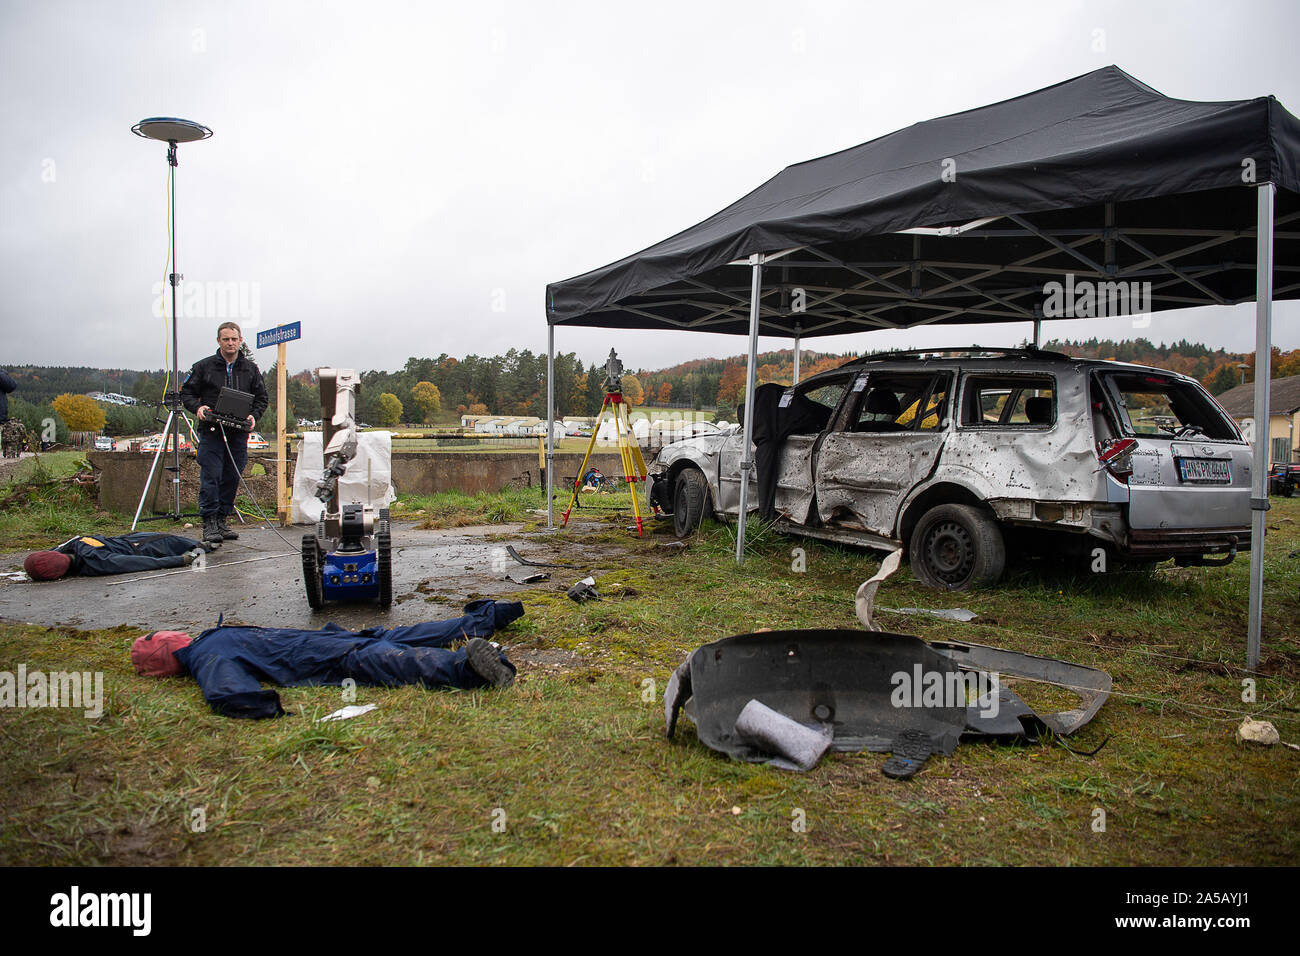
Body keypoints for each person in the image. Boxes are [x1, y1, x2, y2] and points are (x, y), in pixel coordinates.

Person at [130, 600, 522, 718]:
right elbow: (225, 687)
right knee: (394, 658)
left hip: (336, 641)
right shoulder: (206, 653)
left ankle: (484, 620)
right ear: (167, 647)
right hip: (332, 659)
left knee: (401, 636)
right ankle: (469, 670)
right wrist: (257, 705)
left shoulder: (209, 640)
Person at [180, 322, 268, 545]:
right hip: (212, 431)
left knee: (231, 476)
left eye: (234, 339)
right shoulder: (203, 367)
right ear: (219, 341)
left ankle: (222, 519)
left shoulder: (250, 369)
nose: (230, 343)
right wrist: (198, 408)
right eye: (226, 339)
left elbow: (262, 398)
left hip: (238, 433)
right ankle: (209, 521)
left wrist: (253, 416)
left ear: (240, 341)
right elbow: (187, 393)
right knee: (211, 476)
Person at [25, 532, 209, 580]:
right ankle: (202, 545)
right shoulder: (96, 560)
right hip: (141, 546)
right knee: (185, 544)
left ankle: (202, 544)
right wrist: (179, 560)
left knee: (179, 541)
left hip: (130, 540)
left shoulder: (65, 548)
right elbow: (138, 563)